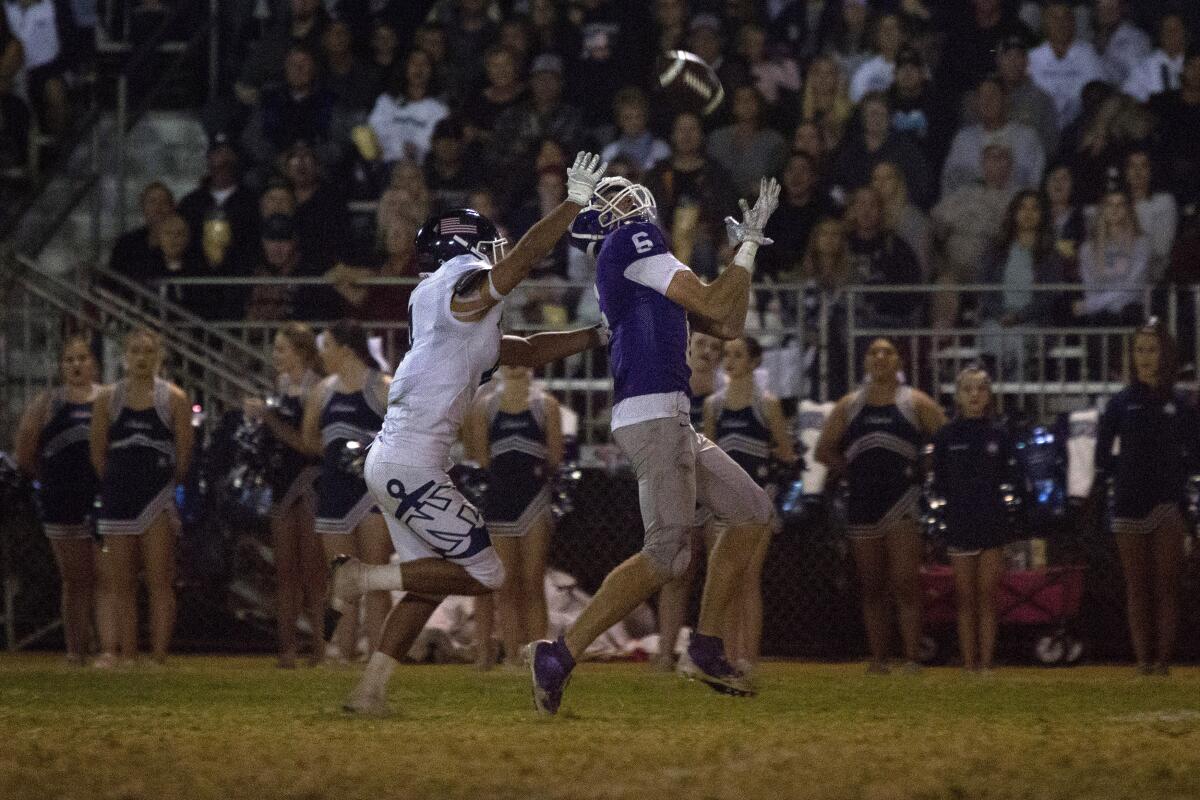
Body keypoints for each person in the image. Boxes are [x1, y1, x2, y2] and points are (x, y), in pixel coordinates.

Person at [326, 152, 610, 715]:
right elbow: (526, 256)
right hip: (412, 461)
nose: (499, 253)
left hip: (397, 457)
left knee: (430, 582)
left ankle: (370, 691)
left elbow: (525, 350)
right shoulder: (461, 286)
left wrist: (600, 334)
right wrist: (571, 204)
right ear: (470, 250)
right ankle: (363, 577)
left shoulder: (437, 299)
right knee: (486, 572)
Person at [527, 173, 782, 715]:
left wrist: (750, 248)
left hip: (670, 415)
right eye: (614, 196)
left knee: (752, 511)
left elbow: (729, 322)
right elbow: (716, 305)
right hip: (654, 414)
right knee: (665, 554)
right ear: (603, 218)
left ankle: (707, 645)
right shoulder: (631, 241)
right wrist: (743, 248)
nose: (628, 199)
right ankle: (559, 653)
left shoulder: (637, 261)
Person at [815, 338, 946, 673]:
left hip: (902, 500)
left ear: (899, 361)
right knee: (872, 585)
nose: (880, 357)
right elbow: (822, 450)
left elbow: (946, 440)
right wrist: (851, 470)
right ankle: (878, 660)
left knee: (905, 581)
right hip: (863, 501)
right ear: (865, 362)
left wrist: (926, 465)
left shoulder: (914, 402)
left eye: (887, 352)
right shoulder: (850, 405)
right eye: (873, 352)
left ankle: (913, 658)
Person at [1095, 322, 1200, 675]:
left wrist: (1177, 476)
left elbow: (1195, 451)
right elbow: (1101, 456)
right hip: (1128, 503)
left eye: (1152, 350)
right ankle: (1143, 662)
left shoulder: (1180, 403)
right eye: (1139, 350)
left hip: (1167, 503)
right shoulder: (1121, 402)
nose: (1145, 357)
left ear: (1165, 355)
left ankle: (1164, 661)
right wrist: (1123, 470)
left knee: (1167, 586)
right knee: (1137, 587)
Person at [89, 328, 193, 665]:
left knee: (160, 581)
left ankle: (158, 657)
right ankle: (127, 654)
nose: (141, 358)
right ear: (124, 357)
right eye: (135, 351)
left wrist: (163, 488)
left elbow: (184, 455)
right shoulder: (108, 399)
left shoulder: (173, 398)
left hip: (156, 499)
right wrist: (116, 484)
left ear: (159, 357)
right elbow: (97, 452)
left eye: (148, 351)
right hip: (118, 498)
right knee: (122, 584)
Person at [702, 336, 796, 679]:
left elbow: (786, 452)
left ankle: (749, 659)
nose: (730, 360)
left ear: (754, 362)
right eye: (726, 354)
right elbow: (707, 453)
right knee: (724, 579)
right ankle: (726, 656)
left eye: (738, 355)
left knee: (748, 578)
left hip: (756, 501)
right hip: (723, 504)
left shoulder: (767, 405)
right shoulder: (714, 405)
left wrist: (771, 490)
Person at [301, 320, 391, 662]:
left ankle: (379, 651)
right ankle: (341, 649)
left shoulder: (384, 387)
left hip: (373, 494)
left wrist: (369, 452)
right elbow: (310, 440)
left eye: (326, 347)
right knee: (340, 578)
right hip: (336, 492)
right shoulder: (322, 392)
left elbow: (403, 435)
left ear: (346, 349)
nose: (321, 355)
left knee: (375, 573)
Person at [463, 365, 562, 669]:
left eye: (524, 358)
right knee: (504, 583)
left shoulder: (546, 404)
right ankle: (511, 655)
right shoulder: (485, 406)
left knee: (533, 580)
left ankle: (537, 655)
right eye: (510, 357)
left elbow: (555, 457)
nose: (517, 363)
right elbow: (480, 457)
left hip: (534, 501)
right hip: (500, 501)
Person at [13, 336, 100, 665]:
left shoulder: (106, 399)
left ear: (94, 363)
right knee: (76, 579)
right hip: (62, 499)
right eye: (70, 360)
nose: (77, 365)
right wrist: (47, 481)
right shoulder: (48, 403)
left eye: (83, 358)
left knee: (105, 578)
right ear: (62, 367)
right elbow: (24, 453)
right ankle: (77, 649)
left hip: (102, 499)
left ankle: (108, 647)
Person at [244, 323, 325, 668]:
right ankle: (287, 648)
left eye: (281, 349)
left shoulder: (317, 389)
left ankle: (320, 647)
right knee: (285, 571)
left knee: (313, 570)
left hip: (309, 481)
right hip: (281, 481)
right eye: (275, 349)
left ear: (302, 353)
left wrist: (269, 418)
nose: (275, 356)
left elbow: (310, 445)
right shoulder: (278, 388)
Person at [930, 367, 1018, 674]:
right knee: (965, 597)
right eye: (968, 388)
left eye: (980, 388)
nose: (974, 395)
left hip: (991, 522)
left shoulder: (1000, 435)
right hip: (959, 522)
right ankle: (969, 664)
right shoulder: (945, 436)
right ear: (958, 395)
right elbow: (938, 482)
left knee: (987, 596)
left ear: (989, 395)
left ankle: (987, 663)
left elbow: (1011, 479)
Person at [654, 330, 723, 671]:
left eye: (715, 347)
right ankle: (665, 653)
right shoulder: (671, 391)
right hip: (678, 489)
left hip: (711, 493)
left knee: (718, 571)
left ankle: (709, 651)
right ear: (688, 347)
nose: (708, 352)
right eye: (702, 345)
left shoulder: (725, 399)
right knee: (674, 572)